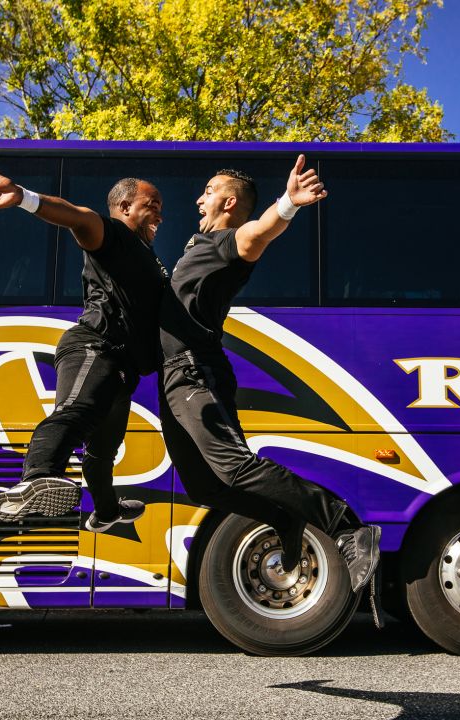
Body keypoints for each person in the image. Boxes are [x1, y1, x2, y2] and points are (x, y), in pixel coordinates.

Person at [158, 156, 381, 592]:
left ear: (228, 201)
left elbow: (256, 234)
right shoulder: (197, 247)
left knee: (235, 468)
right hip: (172, 376)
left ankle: (343, 524)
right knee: (204, 486)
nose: (198, 198)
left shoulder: (226, 242)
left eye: (207, 191)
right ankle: (284, 517)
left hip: (193, 372)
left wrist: (288, 204)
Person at [0, 173, 169, 532]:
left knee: (104, 449)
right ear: (124, 207)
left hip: (123, 367)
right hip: (96, 346)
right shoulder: (114, 236)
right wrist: (23, 196)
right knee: (77, 412)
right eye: (151, 206)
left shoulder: (147, 257)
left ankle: (106, 510)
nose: (159, 216)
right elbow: (78, 217)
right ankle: (37, 476)